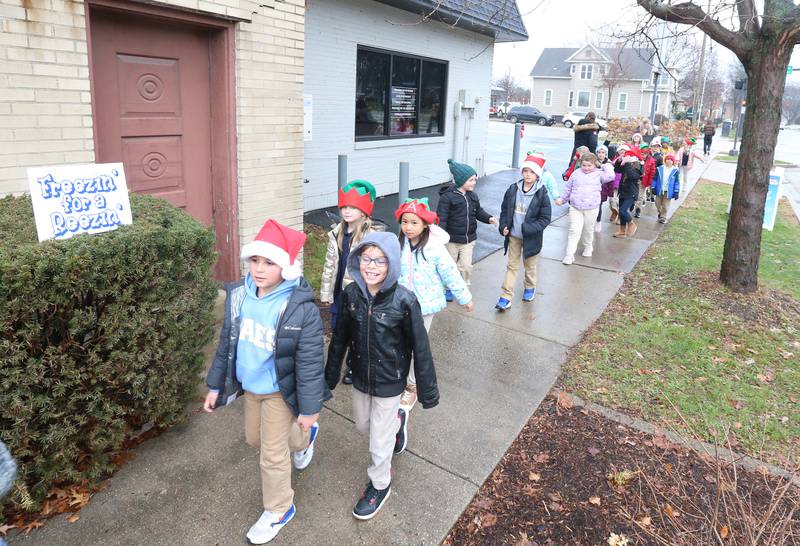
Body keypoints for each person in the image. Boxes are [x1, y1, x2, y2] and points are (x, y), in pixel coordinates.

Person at [204, 219, 329, 545]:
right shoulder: (240, 297)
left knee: (272, 456)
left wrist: (310, 407)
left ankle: (279, 509)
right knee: (255, 439)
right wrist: (216, 385)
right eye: (255, 260)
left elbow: (311, 362)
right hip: (251, 387)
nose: (259, 269)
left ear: (286, 268)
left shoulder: (298, 309)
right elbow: (226, 345)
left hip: (279, 391)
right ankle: (304, 437)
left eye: (269, 262)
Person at [326, 232, 439, 520]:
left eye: (380, 260)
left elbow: (420, 349)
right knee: (363, 426)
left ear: (392, 265)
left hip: (391, 381)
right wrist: (329, 378)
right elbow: (339, 339)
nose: (372, 266)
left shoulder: (405, 301)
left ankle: (379, 485)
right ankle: (398, 422)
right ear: (357, 260)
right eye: (366, 258)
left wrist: (427, 392)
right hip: (362, 375)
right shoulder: (352, 295)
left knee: (378, 441)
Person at [396, 198, 472, 411]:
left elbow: (451, 273)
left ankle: (411, 386)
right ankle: (398, 378)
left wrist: (464, 297)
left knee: (417, 347)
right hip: (401, 304)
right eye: (405, 222)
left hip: (424, 306)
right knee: (400, 343)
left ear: (425, 225)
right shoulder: (399, 244)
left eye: (414, 223)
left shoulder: (434, 248)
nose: (408, 227)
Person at [320, 179, 378, 385]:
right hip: (339, 295)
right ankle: (330, 374)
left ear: (364, 212)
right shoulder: (335, 233)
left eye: (353, 207)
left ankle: (353, 367)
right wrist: (326, 293)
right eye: (344, 206)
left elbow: (373, 269)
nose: (346, 210)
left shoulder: (370, 237)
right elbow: (329, 265)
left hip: (358, 295)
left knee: (357, 334)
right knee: (337, 334)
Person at [495, 151, 552, 310]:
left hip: (531, 239)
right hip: (513, 236)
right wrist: (503, 226)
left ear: (538, 175)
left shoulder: (542, 195)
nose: (528, 174)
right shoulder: (513, 189)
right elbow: (505, 210)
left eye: (532, 172)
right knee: (512, 267)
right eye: (525, 171)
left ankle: (529, 287)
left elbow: (545, 219)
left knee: (530, 267)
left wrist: (528, 229)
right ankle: (506, 296)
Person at [437, 160, 497, 300]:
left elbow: (478, 212)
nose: (474, 182)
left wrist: (489, 219)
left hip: (468, 239)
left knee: (465, 265)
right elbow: (442, 218)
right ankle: (448, 288)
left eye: (475, 179)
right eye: (471, 180)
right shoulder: (447, 197)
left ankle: (461, 286)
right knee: (449, 266)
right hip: (451, 239)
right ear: (460, 180)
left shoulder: (473, 196)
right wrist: (440, 237)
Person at [561, 152, 614, 264]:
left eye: (589, 166)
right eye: (584, 165)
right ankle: (569, 254)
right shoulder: (576, 174)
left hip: (591, 207)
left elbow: (610, 176)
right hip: (576, 207)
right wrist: (563, 199)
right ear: (581, 164)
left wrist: (605, 165)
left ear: (595, 165)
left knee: (588, 229)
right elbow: (568, 188)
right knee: (574, 230)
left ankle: (588, 246)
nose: (586, 168)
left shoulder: (599, 174)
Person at [614, 150, 644, 238]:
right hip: (623, 191)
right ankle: (622, 231)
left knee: (623, 210)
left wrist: (626, 163)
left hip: (631, 193)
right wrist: (618, 162)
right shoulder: (626, 165)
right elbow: (617, 170)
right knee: (621, 212)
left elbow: (632, 176)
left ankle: (631, 224)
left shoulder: (639, 166)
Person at [652, 153, 681, 223]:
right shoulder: (660, 169)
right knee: (657, 203)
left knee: (665, 205)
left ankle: (663, 217)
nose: (669, 161)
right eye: (667, 159)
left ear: (673, 162)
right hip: (659, 190)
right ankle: (660, 212)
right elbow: (655, 179)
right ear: (665, 160)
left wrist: (676, 191)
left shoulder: (675, 171)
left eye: (671, 160)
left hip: (668, 191)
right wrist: (653, 187)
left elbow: (677, 182)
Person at [595, 145, 615, 230]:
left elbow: (611, 178)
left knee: (599, 205)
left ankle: (598, 221)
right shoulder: (593, 162)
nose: (600, 154)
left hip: (603, 188)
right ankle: (592, 220)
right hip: (593, 187)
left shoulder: (608, 164)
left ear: (605, 154)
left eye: (603, 152)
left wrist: (610, 192)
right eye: (599, 152)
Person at [636, 143, 656, 218]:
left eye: (644, 154)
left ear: (647, 154)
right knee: (634, 195)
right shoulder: (636, 159)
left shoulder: (651, 161)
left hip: (643, 181)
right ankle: (632, 204)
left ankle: (638, 210)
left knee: (640, 197)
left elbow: (652, 172)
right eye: (641, 153)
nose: (643, 155)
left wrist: (649, 183)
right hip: (634, 180)